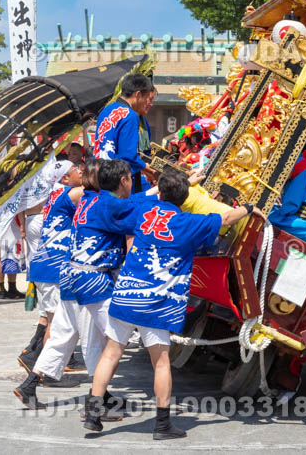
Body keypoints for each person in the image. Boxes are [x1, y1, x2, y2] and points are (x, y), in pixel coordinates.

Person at [84, 170, 262, 439]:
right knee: (161, 362)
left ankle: (93, 414)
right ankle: (162, 424)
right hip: (155, 303)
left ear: (161, 192)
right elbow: (226, 218)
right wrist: (249, 208)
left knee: (111, 353)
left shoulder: (145, 212)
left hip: (125, 294)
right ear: (186, 196)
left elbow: (128, 205)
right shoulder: (187, 222)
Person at [14, 159, 139, 409]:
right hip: (90, 280)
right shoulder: (97, 201)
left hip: (70, 276)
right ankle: (98, 399)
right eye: (79, 172)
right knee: (110, 337)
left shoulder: (86, 201)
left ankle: (30, 385)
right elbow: (137, 211)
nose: (82, 175)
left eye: (84, 172)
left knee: (64, 335)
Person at [19, 160, 83, 370]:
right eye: (76, 169)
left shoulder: (56, 193)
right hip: (50, 268)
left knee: (50, 319)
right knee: (56, 325)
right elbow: (94, 187)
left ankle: (33, 357)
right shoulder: (65, 194)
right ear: (64, 178)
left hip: (46, 267)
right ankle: (45, 372)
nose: (80, 171)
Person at [93, 73, 156, 194]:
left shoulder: (107, 110)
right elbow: (128, 155)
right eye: (148, 98)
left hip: (99, 175)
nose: (150, 104)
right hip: (117, 182)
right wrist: (151, 171)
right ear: (138, 94)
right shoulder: (130, 115)